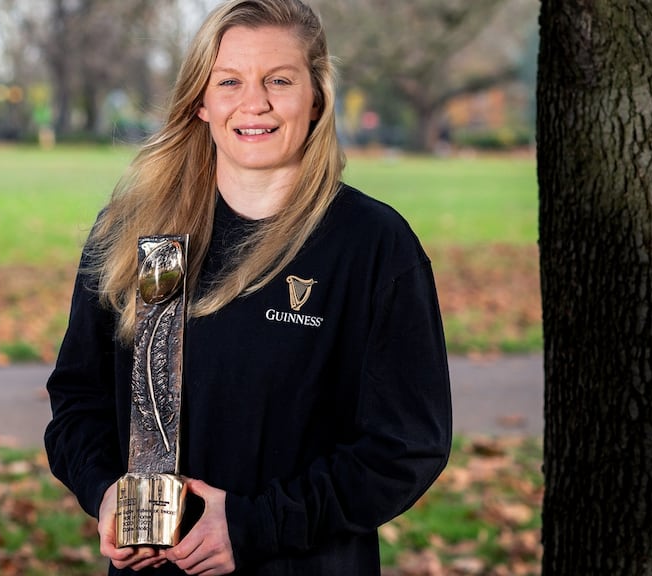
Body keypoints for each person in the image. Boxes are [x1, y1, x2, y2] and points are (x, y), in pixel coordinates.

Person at [44, 0, 452, 574]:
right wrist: (105, 490)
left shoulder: (371, 244)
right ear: (201, 101)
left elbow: (406, 447)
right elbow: (78, 401)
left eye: (279, 80)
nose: (253, 102)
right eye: (229, 81)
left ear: (316, 98)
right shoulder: (138, 230)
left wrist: (255, 525)